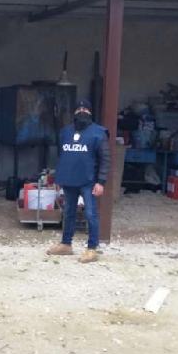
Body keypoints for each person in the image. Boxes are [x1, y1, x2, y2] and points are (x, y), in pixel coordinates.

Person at [46, 99, 110, 263]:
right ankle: (66, 244)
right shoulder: (65, 132)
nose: (82, 111)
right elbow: (62, 156)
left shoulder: (99, 133)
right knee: (68, 212)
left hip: (89, 181)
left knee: (90, 214)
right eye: (79, 109)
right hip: (69, 180)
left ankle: (92, 249)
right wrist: (58, 177)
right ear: (74, 112)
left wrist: (101, 182)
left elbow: (105, 159)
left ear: (90, 112)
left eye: (85, 109)